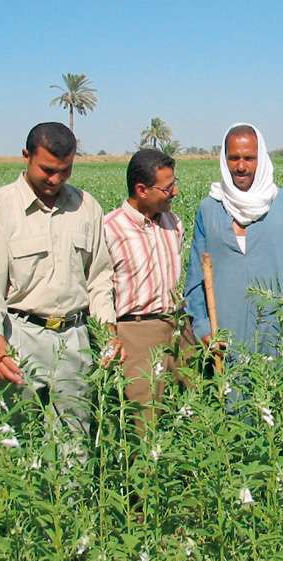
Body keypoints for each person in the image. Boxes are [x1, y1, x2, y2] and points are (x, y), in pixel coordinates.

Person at [0, 122, 121, 450]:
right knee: (19, 441)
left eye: (65, 171)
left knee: (75, 438)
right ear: (26, 156)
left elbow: (100, 278)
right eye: (47, 170)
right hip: (19, 336)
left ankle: (73, 500)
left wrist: (108, 331)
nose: (55, 180)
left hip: (74, 336)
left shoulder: (85, 207)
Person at [184, 123, 283, 357]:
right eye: (233, 158)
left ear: (261, 159)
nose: (241, 166)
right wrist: (204, 328)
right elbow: (195, 276)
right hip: (224, 336)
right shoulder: (209, 208)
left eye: (249, 158)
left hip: (277, 333)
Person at [103, 149, 187, 436]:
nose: (174, 192)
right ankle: (144, 479)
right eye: (167, 187)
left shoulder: (173, 223)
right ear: (141, 190)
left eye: (174, 183)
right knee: (143, 422)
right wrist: (109, 337)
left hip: (177, 326)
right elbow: (98, 291)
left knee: (190, 410)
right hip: (136, 332)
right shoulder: (109, 229)